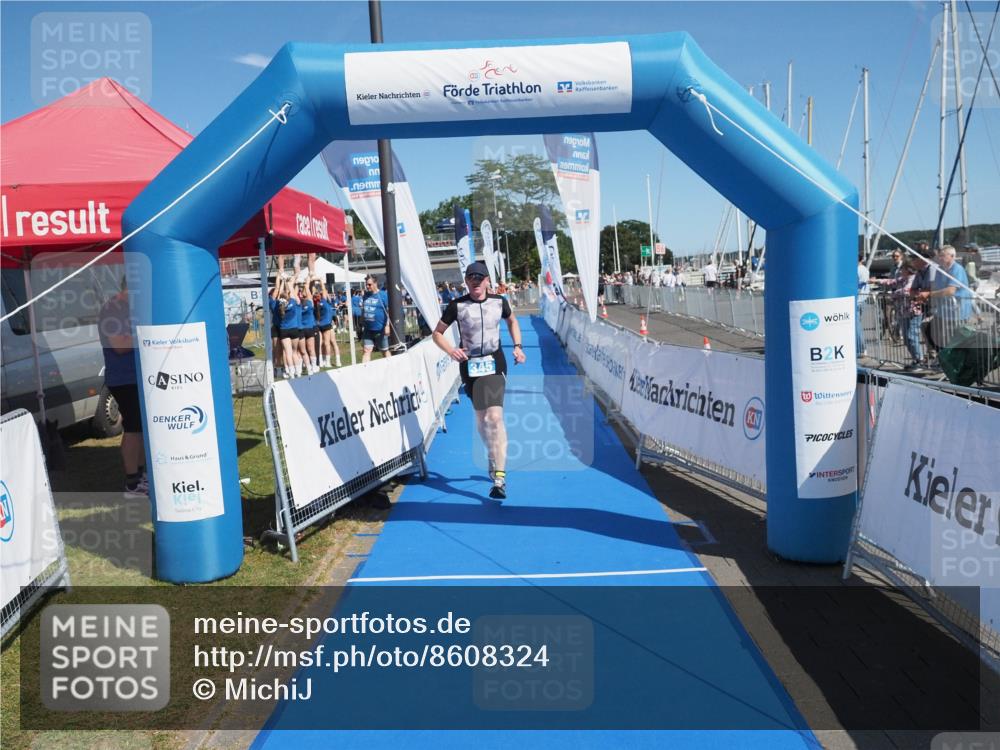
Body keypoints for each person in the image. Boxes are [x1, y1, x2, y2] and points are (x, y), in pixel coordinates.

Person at [432, 261, 526, 500]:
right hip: (470, 365)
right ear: (466, 282)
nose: (475, 281)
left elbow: (512, 321)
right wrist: (451, 350)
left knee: (495, 417)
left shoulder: (499, 302)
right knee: (481, 418)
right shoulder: (457, 305)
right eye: (471, 278)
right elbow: (437, 333)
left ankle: (500, 478)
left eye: (480, 277)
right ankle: (493, 455)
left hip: (494, 362)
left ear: (487, 281)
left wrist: (517, 346)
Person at [98, 278, 146, 498]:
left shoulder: (128, 309)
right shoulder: (112, 309)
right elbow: (119, 345)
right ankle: (132, 483)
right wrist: (147, 335)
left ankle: (142, 476)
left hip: (136, 377)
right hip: (124, 379)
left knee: (141, 429)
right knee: (134, 428)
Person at [917, 244, 973, 350]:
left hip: (958, 311)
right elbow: (935, 287)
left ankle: (947, 359)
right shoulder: (940, 270)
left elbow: (950, 291)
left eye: (943, 255)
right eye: (939, 256)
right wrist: (924, 293)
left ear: (952, 256)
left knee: (952, 339)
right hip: (943, 310)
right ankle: (937, 354)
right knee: (926, 326)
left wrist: (929, 294)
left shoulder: (957, 269)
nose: (940, 258)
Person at [361, 275, 391, 363]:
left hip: (380, 329)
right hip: (368, 329)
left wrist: (387, 325)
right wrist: (361, 321)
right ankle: (365, 372)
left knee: (384, 350)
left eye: (369, 284)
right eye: (366, 284)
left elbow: (389, 311)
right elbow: (364, 308)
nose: (367, 286)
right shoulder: (365, 295)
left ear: (375, 284)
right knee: (366, 350)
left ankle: (391, 368)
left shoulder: (383, 295)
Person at [856, 254, 870, 357]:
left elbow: (861, 284)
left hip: (858, 300)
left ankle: (861, 348)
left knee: (856, 325)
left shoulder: (860, 269)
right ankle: (860, 348)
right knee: (857, 325)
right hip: (861, 299)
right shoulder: (863, 269)